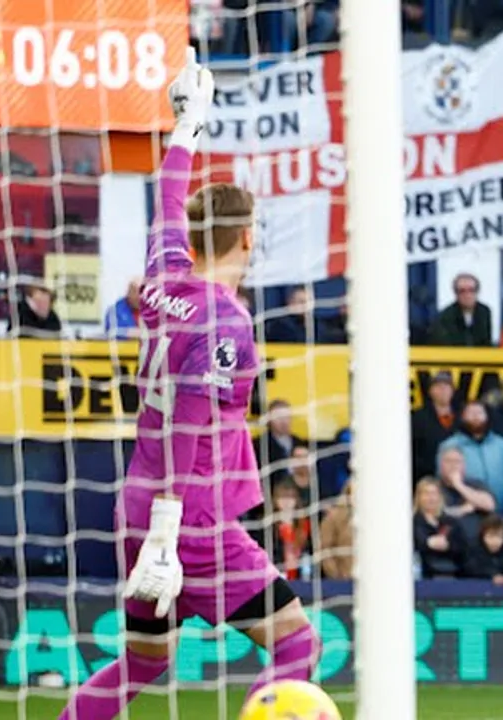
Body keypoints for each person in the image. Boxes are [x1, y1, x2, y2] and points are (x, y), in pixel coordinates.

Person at [58, 51, 317, 720]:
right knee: (297, 646)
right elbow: (194, 423)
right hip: (192, 521)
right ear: (247, 238)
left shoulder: (166, 278)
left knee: (143, 663)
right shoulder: (227, 321)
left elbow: (168, 200)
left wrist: (187, 126)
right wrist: (171, 535)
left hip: (137, 511)